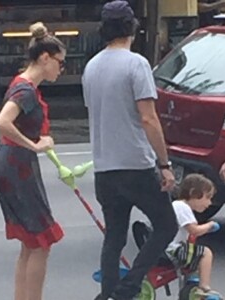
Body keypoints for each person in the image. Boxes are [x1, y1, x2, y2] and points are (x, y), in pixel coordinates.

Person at [82, 1, 178, 299]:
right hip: (135, 162)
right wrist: (164, 163)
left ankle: (108, 292)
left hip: (104, 165)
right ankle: (131, 284)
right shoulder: (136, 64)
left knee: (114, 236)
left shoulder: (91, 67)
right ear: (132, 27)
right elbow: (148, 118)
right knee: (166, 224)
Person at [0, 22, 66, 300]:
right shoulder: (26, 91)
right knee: (40, 242)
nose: (61, 68)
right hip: (17, 165)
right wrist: (33, 145)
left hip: (11, 164)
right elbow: (2, 122)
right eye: (60, 62)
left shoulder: (22, 84)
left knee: (30, 241)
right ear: (45, 58)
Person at [133, 174, 222, 298]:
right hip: (172, 250)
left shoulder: (176, 205)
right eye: (207, 197)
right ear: (193, 193)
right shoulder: (183, 207)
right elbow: (194, 230)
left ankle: (191, 282)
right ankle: (204, 287)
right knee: (205, 253)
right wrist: (209, 226)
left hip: (164, 248)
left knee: (193, 253)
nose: (209, 203)